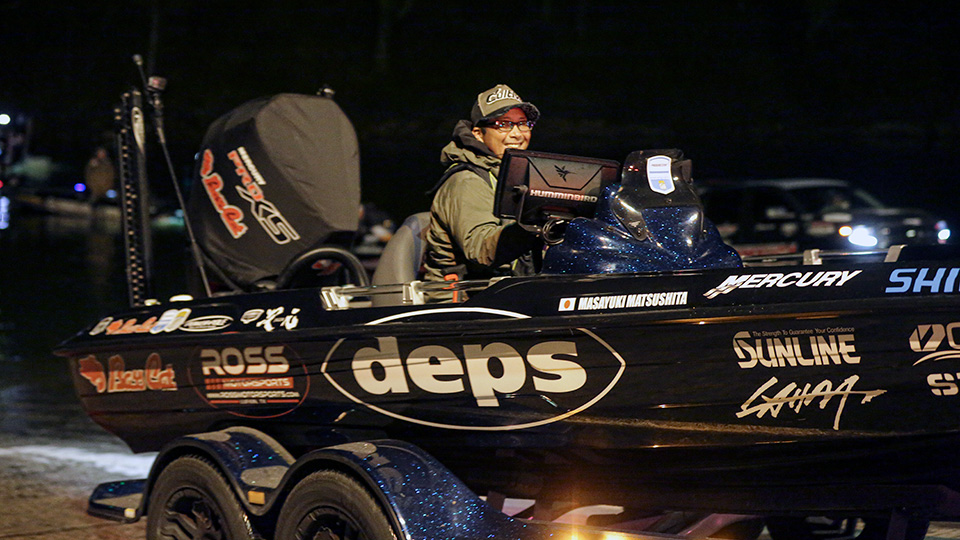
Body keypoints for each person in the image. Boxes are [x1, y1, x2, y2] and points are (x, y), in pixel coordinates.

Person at [424, 84, 541, 283]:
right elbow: (480, 251)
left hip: (512, 287)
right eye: (504, 124)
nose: (517, 134)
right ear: (478, 133)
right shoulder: (466, 181)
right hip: (467, 295)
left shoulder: (523, 175)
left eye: (522, 124)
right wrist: (534, 224)